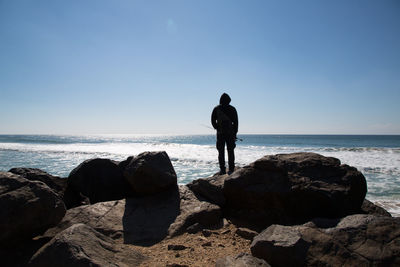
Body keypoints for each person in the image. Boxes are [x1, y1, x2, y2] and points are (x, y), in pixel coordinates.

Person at [211, 93, 238, 175]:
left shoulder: (216, 108)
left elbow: (212, 120)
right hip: (230, 133)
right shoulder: (232, 109)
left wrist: (216, 127)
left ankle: (222, 169)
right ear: (229, 100)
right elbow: (236, 122)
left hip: (220, 133)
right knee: (230, 151)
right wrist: (235, 133)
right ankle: (231, 169)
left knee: (221, 152)